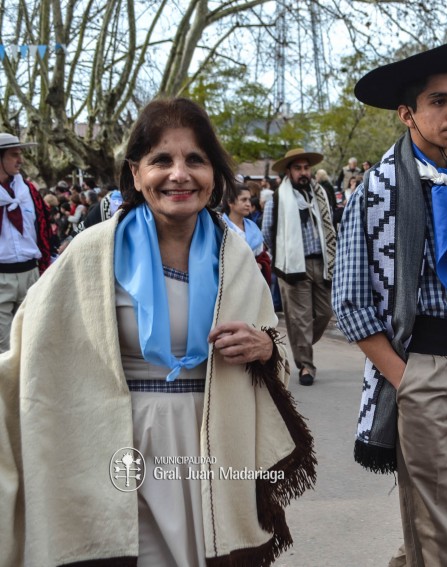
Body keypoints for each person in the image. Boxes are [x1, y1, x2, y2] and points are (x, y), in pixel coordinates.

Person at [0, 97, 316, 566]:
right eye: (161, 160)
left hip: (211, 447)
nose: (179, 174)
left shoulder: (236, 254)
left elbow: (276, 357)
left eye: (195, 160)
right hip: (115, 448)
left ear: (214, 174)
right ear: (135, 172)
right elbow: (28, 357)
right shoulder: (91, 253)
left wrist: (265, 347)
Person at [332, 40, 447, 567]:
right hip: (423, 367)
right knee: (437, 528)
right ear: (407, 113)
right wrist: (403, 376)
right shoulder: (376, 190)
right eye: (439, 101)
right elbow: (350, 299)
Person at [263, 147, 337, 386]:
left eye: (306, 168)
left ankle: (299, 342)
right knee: (301, 318)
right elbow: (267, 231)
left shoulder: (320, 195)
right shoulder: (278, 197)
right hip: (293, 266)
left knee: (325, 313)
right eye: (298, 168)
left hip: (322, 262)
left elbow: (330, 226)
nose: (304, 172)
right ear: (289, 171)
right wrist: (283, 257)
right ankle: (306, 365)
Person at [0, 133, 51, 353]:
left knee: (31, 341)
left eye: (20, 155)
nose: (20, 160)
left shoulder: (29, 191)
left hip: (31, 274)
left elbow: (43, 229)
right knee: (4, 346)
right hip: (2, 277)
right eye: (14, 155)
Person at [222, 182, 272, 284]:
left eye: (249, 199)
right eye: (243, 200)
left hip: (253, 282)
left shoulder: (252, 226)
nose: (248, 204)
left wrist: (260, 265)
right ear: (230, 202)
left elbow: (262, 255)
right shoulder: (221, 227)